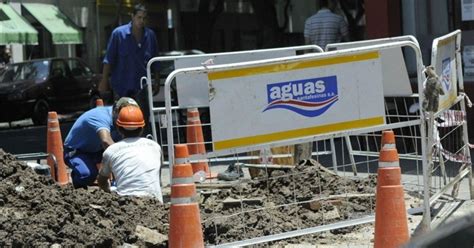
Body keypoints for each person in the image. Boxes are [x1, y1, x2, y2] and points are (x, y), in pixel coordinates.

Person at [99, 3, 160, 132]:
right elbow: (109, 59)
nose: (141, 21)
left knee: (142, 120)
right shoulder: (118, 34)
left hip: (142, 87)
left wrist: (156, 80)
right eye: (139, 17)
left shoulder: (150, 36)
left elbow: (155, 61)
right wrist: (104, 80)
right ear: (132, 16)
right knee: (121, 121)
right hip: (122, 86)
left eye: (144, 18)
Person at [63, 97, 139, 188]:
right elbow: (106, 141)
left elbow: (121, 146)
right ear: (115, 111)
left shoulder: (119, 119)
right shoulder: (101, 116)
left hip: (97, 149)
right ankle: (77, 184)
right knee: (87, 175)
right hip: (77, 151)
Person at [97, 105, 163, 202]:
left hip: (127, 207)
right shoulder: (155, 146)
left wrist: (108, 191)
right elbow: (157, 175)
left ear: (119, 128)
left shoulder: (111, 151)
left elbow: (102, 181)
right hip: (155, 203)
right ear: (142, 127)